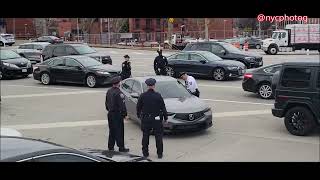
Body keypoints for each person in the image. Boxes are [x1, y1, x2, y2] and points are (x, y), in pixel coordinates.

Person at [136, 78, 168, 159]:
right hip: (156, 119)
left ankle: (145, 153)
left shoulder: (143, 96)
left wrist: (139, 115)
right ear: (154, 85)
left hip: (146, 118)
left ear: (147, 86)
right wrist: (165, 117)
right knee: (158, 136)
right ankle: (159, 154)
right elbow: (163, 107)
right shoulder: (158, 95)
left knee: (145, 136)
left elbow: (138, 107)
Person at [105, 76, 129, 152]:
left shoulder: (109, 91)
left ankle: (110, 146)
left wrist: (109, 110)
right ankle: (121, 147)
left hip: (110, 114)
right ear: (118, 83)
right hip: (117, 115)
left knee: (112, 131)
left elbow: (106, 103)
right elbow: (122, 105)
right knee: (119, 131)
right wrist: (124, 114)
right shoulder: (119, 93)